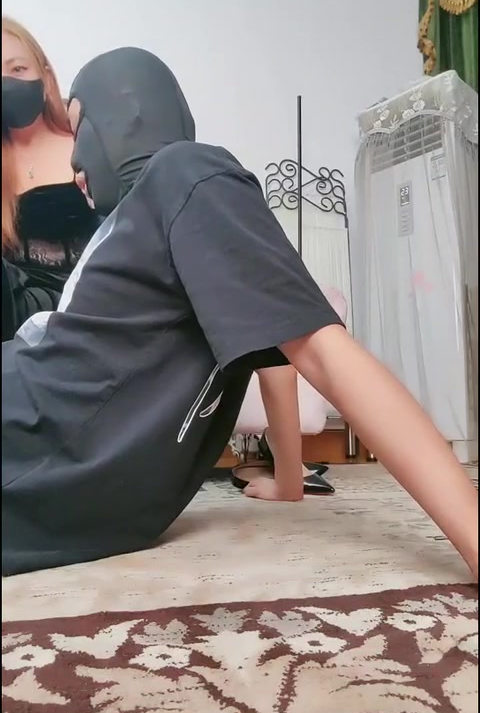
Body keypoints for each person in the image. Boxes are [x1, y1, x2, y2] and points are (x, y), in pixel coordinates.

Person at [2, 48, 477, 581]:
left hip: (39, 435)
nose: (73, 165)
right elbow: (279, 345)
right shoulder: (137, 219)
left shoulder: (184, 172)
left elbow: (317, 348)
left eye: (78, 128)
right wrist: (289, 479)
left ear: (125, 116)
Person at [2, 17, 98, 341]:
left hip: (96, 300)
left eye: (17, 69)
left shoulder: (88, 138)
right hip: (20, 313)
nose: (6, 83)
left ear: (45, 75)